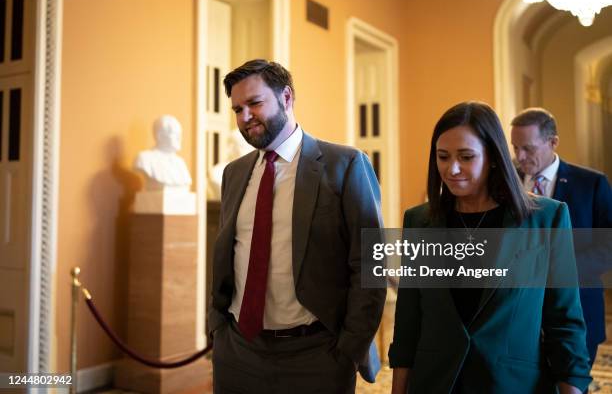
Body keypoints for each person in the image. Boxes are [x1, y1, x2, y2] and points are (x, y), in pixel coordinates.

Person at [208, 59, 386, 393]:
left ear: (286, 98)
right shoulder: (233, 174)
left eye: (254, 103)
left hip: (316, 355)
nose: (244, 117)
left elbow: (370, 263)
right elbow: (227, 254)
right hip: (238, 351)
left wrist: (349, 348)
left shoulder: (345, 165)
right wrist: (217, 327)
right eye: (237, 109)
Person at [389, 101, 591, 393]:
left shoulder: (547, 218)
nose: (452, 168)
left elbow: (564, 322)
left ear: (494, 157)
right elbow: (408, 322)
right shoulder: (418, 220)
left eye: (466, 157)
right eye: (443, 157)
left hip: (512, 384)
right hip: (435, 383)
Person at [511, 107, 612, 367]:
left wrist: (559, 270)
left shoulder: (591, 183)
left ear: (553, 142)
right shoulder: (505, 181)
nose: (520, 157)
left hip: (577, 310)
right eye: (515, 147)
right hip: (517, 314)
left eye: (528, 149)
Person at [134, 114, 192, 190]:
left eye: (180, 134)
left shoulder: (180, 163)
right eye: (175, 134)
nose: (179, 138)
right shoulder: (145, 159)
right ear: (160, 136)